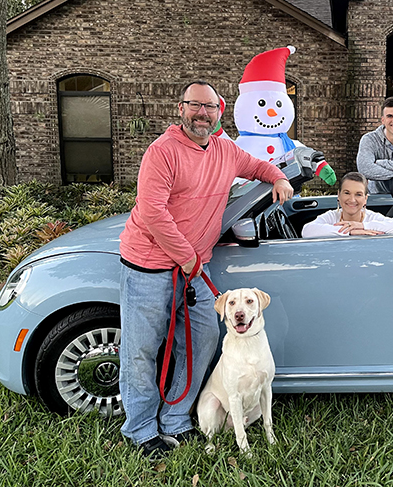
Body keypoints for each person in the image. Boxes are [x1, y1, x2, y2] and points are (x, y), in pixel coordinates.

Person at [118, 80, 294, 460]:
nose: (202, 114)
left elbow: (257, 165)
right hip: (150, 265)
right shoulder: (162, 153)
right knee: (141, 352)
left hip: (194, 269)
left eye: (209, 107)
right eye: (194, 106)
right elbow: (153, 213)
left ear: (221, 109)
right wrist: (187, 257)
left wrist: (278, 177)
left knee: (201, 343)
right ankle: (142, 430)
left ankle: (177, 419)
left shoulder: (225, 149)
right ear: (180, 109)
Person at [301, 172, 393, 237]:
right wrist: (349, 232)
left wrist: (363, 226)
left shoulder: (372, 217)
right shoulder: (332, 216)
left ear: (365, 199)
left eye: (358, 194)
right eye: (347, 193)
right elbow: (307, 231)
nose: (352, 199)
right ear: (338, 195)